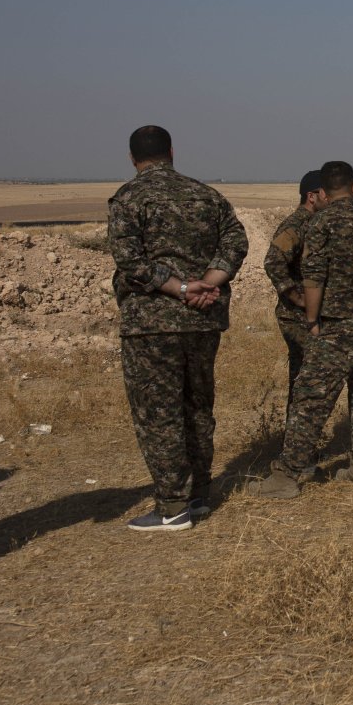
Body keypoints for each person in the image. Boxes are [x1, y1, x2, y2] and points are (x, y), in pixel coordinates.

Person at [108, 125, 247, 531]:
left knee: (159, 413)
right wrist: (210, 283)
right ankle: (199, 496)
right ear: (171, 151)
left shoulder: (129, 198)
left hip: (152, 325)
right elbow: (236, 244)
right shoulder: (208, 195)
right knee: (197, 408)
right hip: (203, 321)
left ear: (132, 157)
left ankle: (173, 507)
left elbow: (130, 263)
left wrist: (182, 288)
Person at [250, 161, 353, 498]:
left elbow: (313, 278)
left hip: (334, 325)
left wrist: (313, 319)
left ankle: (286, 477)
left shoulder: (321, 225)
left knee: (310, 398)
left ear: (325, 192)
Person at [263, 170, 328, 406]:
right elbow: (273, 260)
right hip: (296, 316)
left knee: (306, 377)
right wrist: (297, 297)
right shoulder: (295, 225)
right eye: (326, 193)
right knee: (307, 378)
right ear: (312, 196)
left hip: (309, 315)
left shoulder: (317, 223)